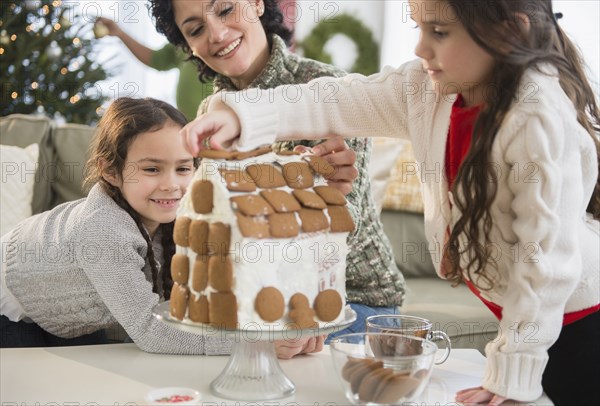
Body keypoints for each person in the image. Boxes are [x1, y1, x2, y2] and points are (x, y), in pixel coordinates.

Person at [178, 0, 600, 404]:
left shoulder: (539, 121)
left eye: (439, 31)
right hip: (532, 316)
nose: (420, 47)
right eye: (418, 27)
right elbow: (335, 99)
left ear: (510, 31)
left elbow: (543, 264)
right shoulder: (428, 89)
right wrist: (240, 115)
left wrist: (515, 368)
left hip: (579, 320)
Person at [148, 0, 406, 355]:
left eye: (225, 10)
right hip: (260, 296)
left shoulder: (327, 88)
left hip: (351, 302)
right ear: (187, 46)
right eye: (195, 29)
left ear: (256, 3)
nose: (217, 34)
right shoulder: (212, 109)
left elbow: (332, 236)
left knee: (251, 357)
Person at [0, 97, 318, 359]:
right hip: (11, 303)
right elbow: (151, 330)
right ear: (110, 170)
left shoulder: (177, 209)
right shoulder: (101, 231)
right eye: (152, 169)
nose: (171, 186)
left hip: (66, 311)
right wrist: (255, 344)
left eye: (182, 168)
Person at [95, 17, 213, 121]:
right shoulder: (184, 40)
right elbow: (156, 59)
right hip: (188, 125)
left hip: (218, 124)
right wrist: (119, 33)